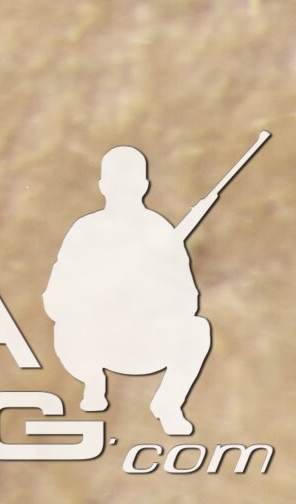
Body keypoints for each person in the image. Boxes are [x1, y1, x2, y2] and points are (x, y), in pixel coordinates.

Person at [52, 145, 214, 440]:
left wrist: (150, 297)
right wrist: (96, 299)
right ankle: (92, 382)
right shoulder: (85, 231)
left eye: (129, 183)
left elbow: (188, 300)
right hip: (95, 341)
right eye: (117, 183)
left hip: (145, 341)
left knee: (197, 330)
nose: (123, 190)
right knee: (68, 326)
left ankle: (168, 404)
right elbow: (55, 297)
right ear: (103, 186)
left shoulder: (160, 232)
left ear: (144, 186)